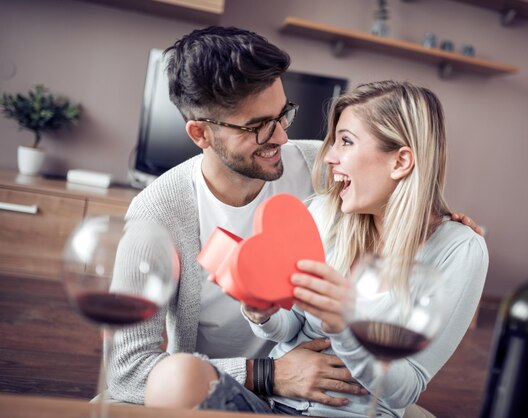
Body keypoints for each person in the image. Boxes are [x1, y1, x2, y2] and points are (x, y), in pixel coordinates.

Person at [144, 81, 489, 417]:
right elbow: (292, 325)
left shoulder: (459, 251)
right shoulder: (325, 212)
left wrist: (344, 328)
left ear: (400, 162)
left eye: (346, 142)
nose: (329, 158)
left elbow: (407, 387)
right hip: (272, 402)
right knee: (174, 376)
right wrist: (261, 314)